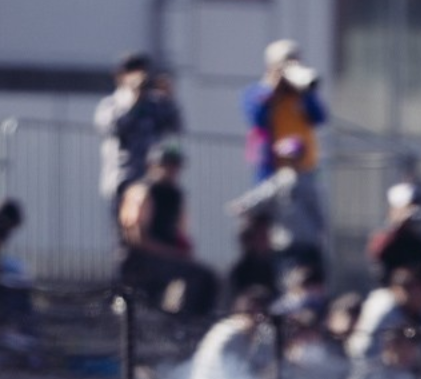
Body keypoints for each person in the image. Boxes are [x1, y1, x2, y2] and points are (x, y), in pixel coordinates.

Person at [117, 143, 219, 316]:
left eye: (175, 166)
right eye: (166, 165)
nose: (172, 170)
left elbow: (181, 232)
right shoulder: (142, 191)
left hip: (166, 257)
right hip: (141, 259)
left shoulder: (175, 195)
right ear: (152, 166)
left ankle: (184, 320)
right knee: (196, 276)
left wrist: (183, 251)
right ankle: (179, 320)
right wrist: (171, 253)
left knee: (206, 278)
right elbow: (136, 238)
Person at [96, 52, 183, 218]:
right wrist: (134, 97)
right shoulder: (111, 104)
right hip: (124, 179)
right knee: (126, 228)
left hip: (154, 181)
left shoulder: (156, 103)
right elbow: (114, 127)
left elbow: (176, 126)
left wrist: (169, 97)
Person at [224, 133, 325, 269]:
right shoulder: (281, 180)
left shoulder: (306, 181)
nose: (291, 160)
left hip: (306, 242)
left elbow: (319, 212)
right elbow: (260, 197)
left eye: (294, 156)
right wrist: (242, 206)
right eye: (288, 157)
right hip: (286, 242)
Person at [243, 39, 327, 182]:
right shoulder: (257, 93)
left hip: (304, 168)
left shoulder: (301, 95)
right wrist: (272, 89)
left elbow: (320, 117)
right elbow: (258, 120)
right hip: (272, 171)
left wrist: (305, 91)